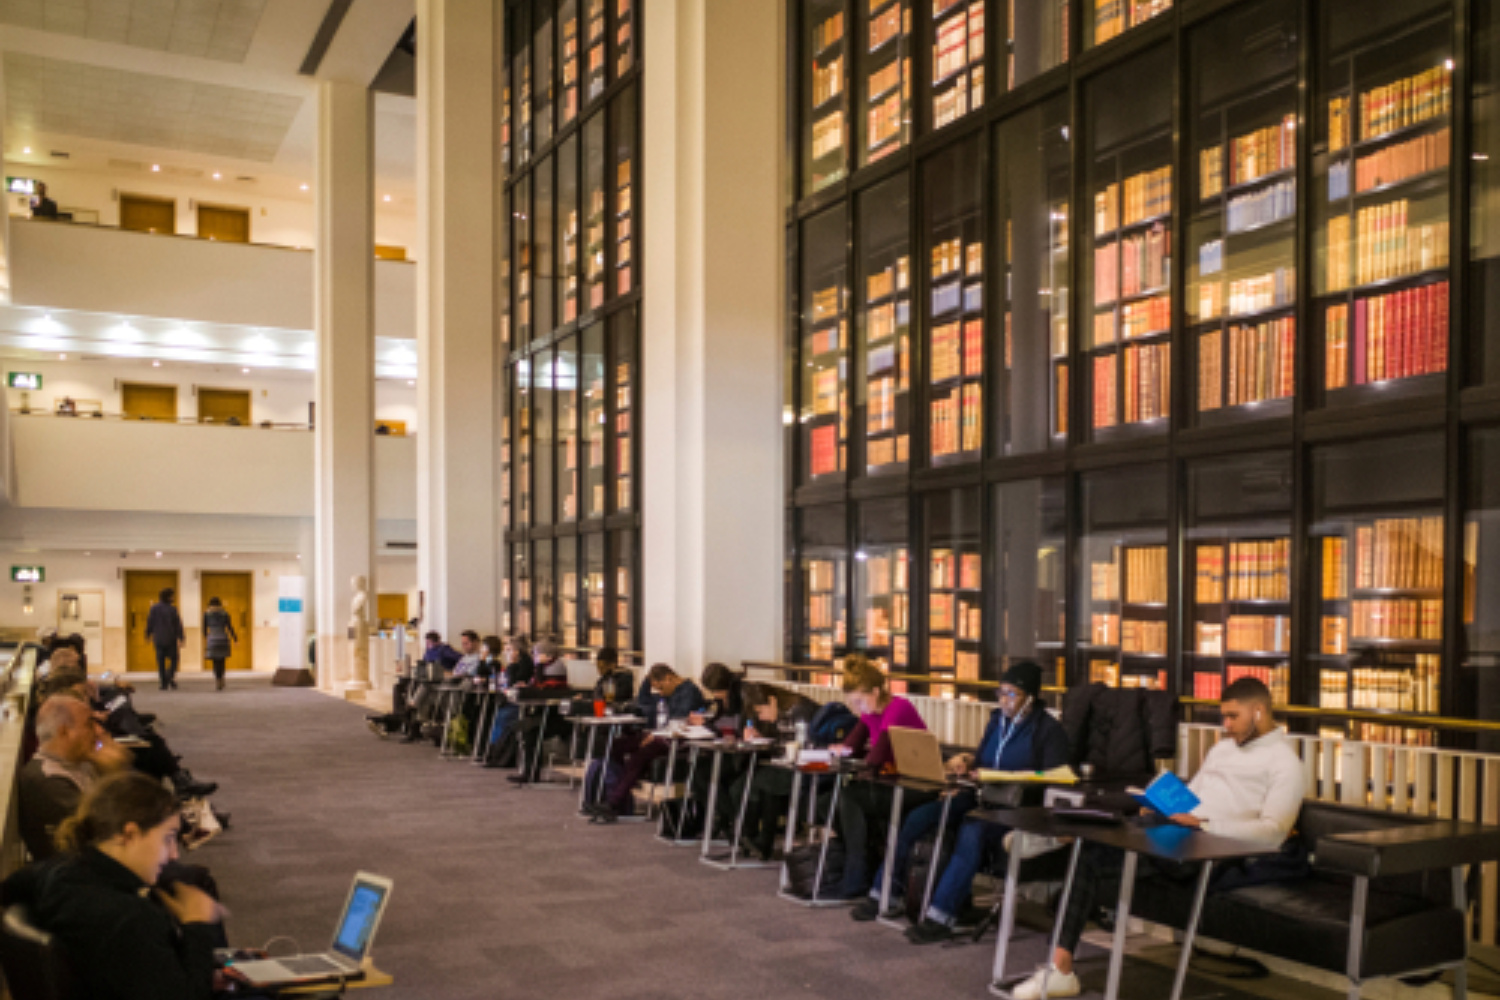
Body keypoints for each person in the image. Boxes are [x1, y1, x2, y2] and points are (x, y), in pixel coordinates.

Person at [1008, 676, 1307, 1000]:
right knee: (1112, 836)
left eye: (1233, 717)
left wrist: (1206, 824)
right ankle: (1061, 957)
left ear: (1259, 712)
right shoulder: (1222, 750)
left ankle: (1060, 844)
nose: (1226, 725)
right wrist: (1164, 802)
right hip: (1181, 832)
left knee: (1093, 853)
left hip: (1211, 848)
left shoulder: (1286, 763)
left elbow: (1274, 831)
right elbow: (1192, 795)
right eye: (1224, 716)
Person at [1, 771, 225, 1000]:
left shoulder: (55, 871)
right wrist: (196, 924)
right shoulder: (130, 917)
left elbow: (8, 890)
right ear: (128, 834)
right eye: (168, 838)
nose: (174, 855)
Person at [899, 662, 1071, 942]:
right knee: (924, 815)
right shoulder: (996, 721)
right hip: (982, 796)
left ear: (1030, 697)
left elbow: (1056, 779)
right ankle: (892, 892)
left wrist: (1013, 777)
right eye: (1001, 693)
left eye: (1011, 694)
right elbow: (982, 761)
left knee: (972, 828)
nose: (1004, 700)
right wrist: (965, 765)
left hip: (1018, 809)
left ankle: (941, 916)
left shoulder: (1048, 731)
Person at [834, 654, 930, 900]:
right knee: (840, 800)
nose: (857, 708)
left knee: (850, 797)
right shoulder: (870, 712)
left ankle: (856, 877)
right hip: (892, 782)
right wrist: (839, 750)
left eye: (859, 701)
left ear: (875, 691)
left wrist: (848, 754)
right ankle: (857, 875)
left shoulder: (898, 708)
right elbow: (852, 745)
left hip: (915, 785)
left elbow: (877, 756)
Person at [587, 663, 706, 823]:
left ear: (669, 678)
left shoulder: (689, 692)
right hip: (661, 734)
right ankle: (621, 795)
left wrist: (655, 735)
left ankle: (613, 802)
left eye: (661, 687)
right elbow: (644, 702)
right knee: (617, 745)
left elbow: (679, 721)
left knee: (640, 754)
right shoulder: (669, 691)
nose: (661, 693)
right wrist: (646, 680)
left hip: (678, 738)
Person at [19, 695, 133, 860]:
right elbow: (111, 831)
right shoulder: (49, 780)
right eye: (89, 724)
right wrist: (116, 775)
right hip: (83, 873)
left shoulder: (81, 762)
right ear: (64, 731)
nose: (99, 730)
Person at [144, 588, 185, 691]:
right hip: (170, 638)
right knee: (174, 659)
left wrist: (147, 634)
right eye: (172, 596)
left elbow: (150, 622)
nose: (173, 598)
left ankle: (163, 683)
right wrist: (181, 637)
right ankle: (169, 676)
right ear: (168, 597)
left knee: (160, 661)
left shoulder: (154, 609)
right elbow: (177, 624)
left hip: (158, 638)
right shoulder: (172, 609)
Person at [202, 597, 237, 692]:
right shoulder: (225, 614)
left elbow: (204, 629)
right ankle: (222, 678)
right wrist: (235, 639)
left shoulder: (206, 614)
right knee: (222, 660)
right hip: (223, 639)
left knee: (215, 661)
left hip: (212, 639)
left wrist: (207, 637)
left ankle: (217, 679)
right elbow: (230, 627)